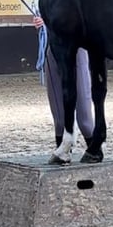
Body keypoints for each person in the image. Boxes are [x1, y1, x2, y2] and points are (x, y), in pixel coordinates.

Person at [32, 16, 94, 147]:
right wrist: (42, 25)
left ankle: (94, 147)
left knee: (83, 110)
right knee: (58, 114)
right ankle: (62, 148)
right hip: (54, 50)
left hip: (76, 49)